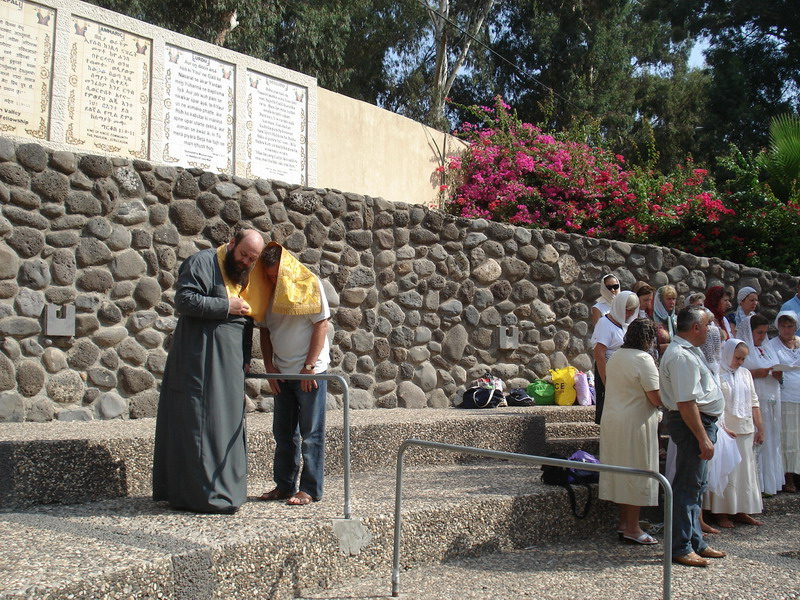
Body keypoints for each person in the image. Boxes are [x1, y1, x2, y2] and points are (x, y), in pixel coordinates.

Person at [153, 228, 266, 514]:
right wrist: (226, 305)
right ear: (231, 243)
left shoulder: (245, 272)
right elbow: (184, 300)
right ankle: (197, 494)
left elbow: (246, 316)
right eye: (243, 255)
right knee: (201, 421)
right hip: (200, 359)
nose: (245, 262)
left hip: (229, 362)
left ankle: (226, 490)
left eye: (252, 259)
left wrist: (245, 356)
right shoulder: (202, 262)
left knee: (225, 420)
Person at [257, 242, 331, 506]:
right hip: (282, 372)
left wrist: (309, 367)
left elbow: (321, 324)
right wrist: (269, 367)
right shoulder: (267, 291)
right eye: (268, 276)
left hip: (309, 372)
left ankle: (310, 489)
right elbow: (264, 330)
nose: (272, 281)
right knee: (284, 434)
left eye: (276, 276)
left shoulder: (309, 283)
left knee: (311, 434)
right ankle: (284, 485)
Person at [659, 305, 727, 567]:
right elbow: (686, 402)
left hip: (699, 421)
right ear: (696, 327)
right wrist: (702, 437)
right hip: (692, 424)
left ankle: (695, 541)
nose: (710, 329)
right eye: (707, 324)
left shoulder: (689, 352)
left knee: (696, 485)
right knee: (688, 486)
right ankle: (680, 546)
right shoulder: (681, 356)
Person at [599, 319, 662, 545]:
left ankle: (624, 522)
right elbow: (655, 397)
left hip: (613, 421)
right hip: (635, 423)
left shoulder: (616, 357)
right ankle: (633, 528)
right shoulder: (643, 359)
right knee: (636, 471)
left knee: (622, 472)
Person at [707, 339, 764, 528]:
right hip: (726, 428)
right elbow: (716, 402)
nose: (739, 362)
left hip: (745, 428)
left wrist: (760, 427)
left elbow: (754, 402)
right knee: (727, 470)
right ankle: (722, 512)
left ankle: (742, 510)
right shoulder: (717, 372)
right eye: (737, 358)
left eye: (743, 359)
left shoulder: (745, 374)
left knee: (744, 471)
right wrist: (722, 426)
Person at [741, 314, 784, 496]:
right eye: (759, 332)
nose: (762, 336)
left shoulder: (768, 348)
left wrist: (778, 374)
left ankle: (770, 483)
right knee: (758, 437)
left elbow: (776, 368)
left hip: (772, 396)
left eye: (765, 333)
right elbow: (738, 372)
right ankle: (756, 484)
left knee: (772, 436)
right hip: (756, 397)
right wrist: (755, 373)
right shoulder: (743, 348)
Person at [591, 291, 639, 425]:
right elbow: (599, 355)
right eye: (627, 310)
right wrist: (607, 382)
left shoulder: (627, 325)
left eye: (633, 310)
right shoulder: (604, 323)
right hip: (609, 371)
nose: (630, 314)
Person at [768, 311, 800, 493]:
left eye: (790, 326)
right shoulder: (773, 345)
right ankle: (788, 477)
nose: (787, 330)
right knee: (788, 436)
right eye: (783, 326)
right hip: (786, 395)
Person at [653, 285, 678, 356]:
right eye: (669, 299)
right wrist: (669, 346)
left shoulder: (677, 320)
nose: (672, 302)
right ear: (660, 301)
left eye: (674, 299)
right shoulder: (652, 321)